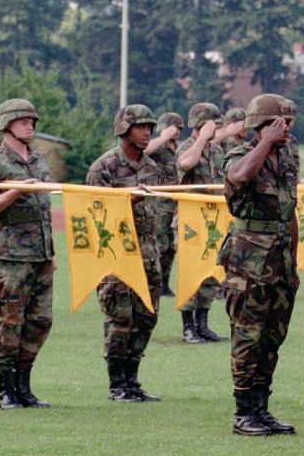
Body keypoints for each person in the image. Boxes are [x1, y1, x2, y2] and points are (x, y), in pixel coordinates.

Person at [221, 94, 301, 436]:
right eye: (277, 123)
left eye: (287, 123)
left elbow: (290, 212)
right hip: (249, 261)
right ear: (260, 125)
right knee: (247, 336)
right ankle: (243, 413)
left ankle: (261, 408)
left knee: (272, 337)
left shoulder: (289, 156)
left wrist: (294, 262)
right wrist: (265, 144)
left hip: (280, 260)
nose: (286, 129)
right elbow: (239, 177)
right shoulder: (240, 154)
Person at [0, 98, 57, 409]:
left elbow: (44, 213)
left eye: (32, 120)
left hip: (40, 257)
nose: (30, 125)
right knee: (10, 323)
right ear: (7, 124)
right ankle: (5, 390)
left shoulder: (39, 161)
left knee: (39, 322)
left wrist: (51, 253)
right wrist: (15, 191)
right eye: (23, 120)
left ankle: (24, 386)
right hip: (10, 259)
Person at [86, 104, 165, 402]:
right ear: (124, 130)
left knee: (147, 317)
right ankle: (117, 383)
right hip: (115, 255)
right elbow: (96, 215)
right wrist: (126, 202)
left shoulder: (152, 168)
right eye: (140, 127)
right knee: (120, 319)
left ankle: (132, 380)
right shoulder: (103, 168)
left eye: (149, 127)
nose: (146, 132)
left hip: (147, 254)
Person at [174, 102, 227, 344]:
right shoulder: (187, 148)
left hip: (214, 223)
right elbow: (186, 164)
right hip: (190, 223)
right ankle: (188, 327)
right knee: (190, 274)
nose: (217, 128)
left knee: (211, 275)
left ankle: (202, 324)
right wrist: (202, 138)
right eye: (213, 124)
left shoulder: (216, 152)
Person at [147, 111, 184, 298]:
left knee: (171, 246)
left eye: (179, 128)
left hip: (175, 202)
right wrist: (163, 137)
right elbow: (145, 151)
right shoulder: (157, 147)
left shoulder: (179, 149)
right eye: (174, 128)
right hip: (159, 203)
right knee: (160, 244)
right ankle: (154, 283)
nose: (177, 131)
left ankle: (164, 284)